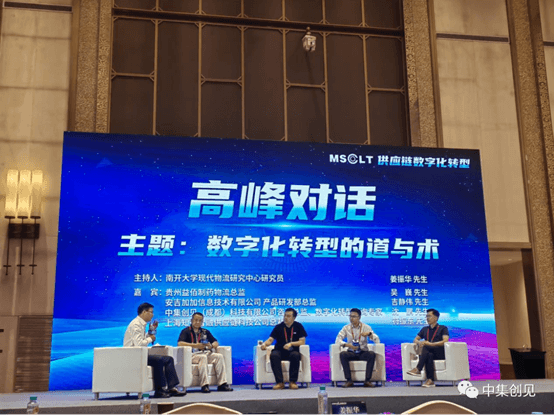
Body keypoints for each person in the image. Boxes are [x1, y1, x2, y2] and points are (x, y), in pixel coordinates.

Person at [124, 302, 186, 398]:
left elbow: (142, 339)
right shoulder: (136, 324)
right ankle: (159, 391)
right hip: (134, 356)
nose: (152, 315)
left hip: (140, 354)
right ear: (144, 312)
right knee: (159, 360)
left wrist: (151, 332)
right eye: (151, 312)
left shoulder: (141, 324)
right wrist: (151, 338)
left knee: (168, 359)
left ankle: (171, 387)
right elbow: (139, 344)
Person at [177, 312, 233, 393]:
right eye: (196, 320)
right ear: (191, 320)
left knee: (219, 357)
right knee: (203, 358)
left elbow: (215, 342)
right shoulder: (186, 331)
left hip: (204, 353)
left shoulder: (205, 331)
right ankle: (204, 385)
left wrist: (211, 346)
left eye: (200, 320)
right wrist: (195, 345)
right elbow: (180, 343)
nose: (198, 322)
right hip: (191, 355)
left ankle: (222, 384)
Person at [260, 308, 307, 390]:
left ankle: (292, 382)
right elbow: (270, 339)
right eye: (285, 315)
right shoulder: (278, 327)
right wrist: (265, 344)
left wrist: (291, 343)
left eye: (288, 316)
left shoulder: (298, 326)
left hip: (292, 350)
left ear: (294, 318)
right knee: (274, 355)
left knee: (295, 355)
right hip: (280, 351)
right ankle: (280, 382)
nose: (285, 317)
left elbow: (302, 342)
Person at [335, 308, 380, 388]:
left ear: (359, 317)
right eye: (350, 316)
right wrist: (348, 345)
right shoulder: (346, 328)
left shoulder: (366, 327)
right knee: (343, 354)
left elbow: (377, 340)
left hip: (363, 352)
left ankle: (367, 381)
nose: (351, 318)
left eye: (354, 316)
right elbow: (338, 340)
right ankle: (349, 381)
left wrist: (369, 334)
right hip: (351, 352)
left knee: (372, 354)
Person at [406, 308, 450, 387]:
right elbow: (415, 339)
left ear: (436, 318)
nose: (427, 318)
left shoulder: (443, 328)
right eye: (426, 316)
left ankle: (418, 369)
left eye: (429, 316)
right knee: (429, 354)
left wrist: (430, 344)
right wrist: (420, 342)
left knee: (426, 347)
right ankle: (430, 380)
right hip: (428, 352)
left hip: (439, 353)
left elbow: (445, 341)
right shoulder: (425, 329)